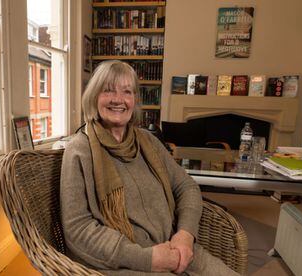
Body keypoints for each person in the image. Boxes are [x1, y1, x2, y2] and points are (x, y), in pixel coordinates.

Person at [60, 60, 239, 275]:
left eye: (127, 92)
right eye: (108, 91)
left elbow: (186, 186)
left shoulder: (148, 141)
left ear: (134, 100)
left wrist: (185, 234)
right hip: (124, 263)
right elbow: (78, 230)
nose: (118, 99)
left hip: (175, 246)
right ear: (93, 97)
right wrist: (148, 258)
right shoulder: (79, 150)